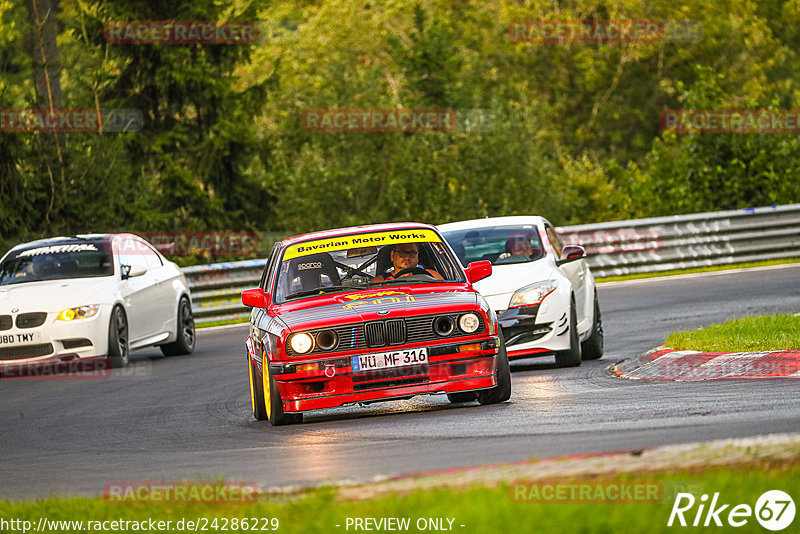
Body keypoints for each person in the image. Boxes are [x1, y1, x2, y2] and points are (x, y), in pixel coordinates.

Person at [371, 243, 444, 282]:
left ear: (417, 256)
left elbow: (446, 293)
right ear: (392, 255)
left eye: (412, 253)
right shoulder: (380, 282)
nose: (407, 258)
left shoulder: (432, 275)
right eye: (402, 253)